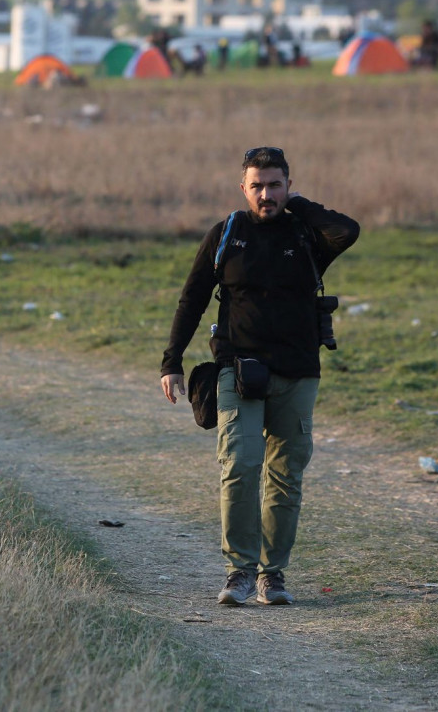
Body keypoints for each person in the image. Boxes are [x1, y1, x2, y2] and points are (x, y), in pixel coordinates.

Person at [160, 146, 360, 607]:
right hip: (238, 369)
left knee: (286, 475)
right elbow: (191, 301)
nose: (266, 195)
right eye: (257, 186)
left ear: (289, 185)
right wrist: (172, 362)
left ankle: (274, 576)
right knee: (240, 467)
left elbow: (347, 230)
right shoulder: (227, 233)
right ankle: (240, 573)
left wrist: (300, 206)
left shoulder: (306, 233)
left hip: (298, 371)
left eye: (275, 185)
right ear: (243, 188)